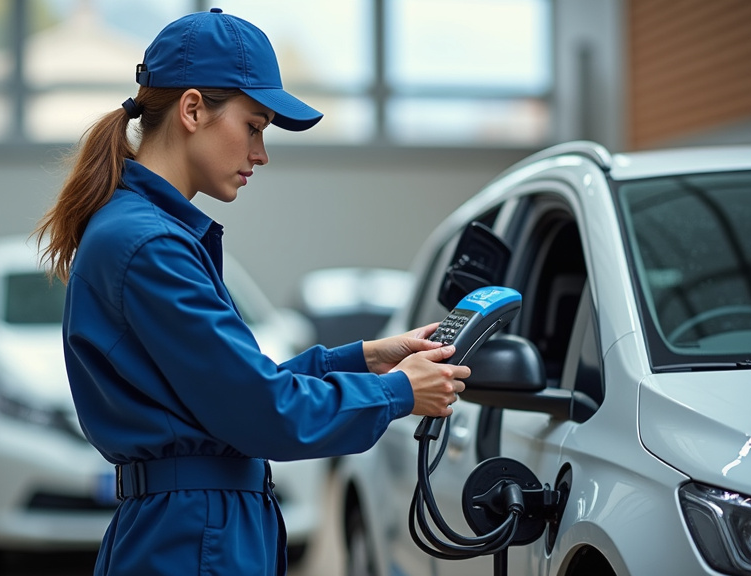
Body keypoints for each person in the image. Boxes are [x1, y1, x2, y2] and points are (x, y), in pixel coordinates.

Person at [33, 9, 470, 575]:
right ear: (192, 109)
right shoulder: (149, 246)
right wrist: (397, 394)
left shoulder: (146, 234)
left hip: (189, 531)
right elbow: (261, 411)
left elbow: (231, 389)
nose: (260, 154)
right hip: (192, 541)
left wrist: (365, 358)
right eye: (255, 127)